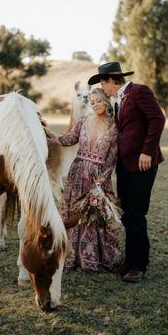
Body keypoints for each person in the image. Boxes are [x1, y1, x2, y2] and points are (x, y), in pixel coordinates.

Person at [88, 62, 166, 283]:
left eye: (103, 82)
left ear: (113, 79)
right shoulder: (118, 100)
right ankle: (130, 261)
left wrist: (147, 151)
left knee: (136, 215)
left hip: (143, 164)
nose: (102, 87)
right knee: (127, 214)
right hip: (125, 166)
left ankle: (139, 265)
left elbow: (157, 119)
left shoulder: (139, 91)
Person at [44, 88, 123, 272]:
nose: (94, 104)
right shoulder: (84, 121)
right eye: (92, 101)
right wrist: (50, 134)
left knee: (94, 216)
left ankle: (91, 259)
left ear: (106, 103)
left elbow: (111, 159)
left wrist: (100, 184)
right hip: (77, 175)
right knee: (73, 214)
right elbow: (68, 139)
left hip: (98, 178)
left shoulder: (113, 127)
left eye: (98, 101)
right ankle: (70, 256)